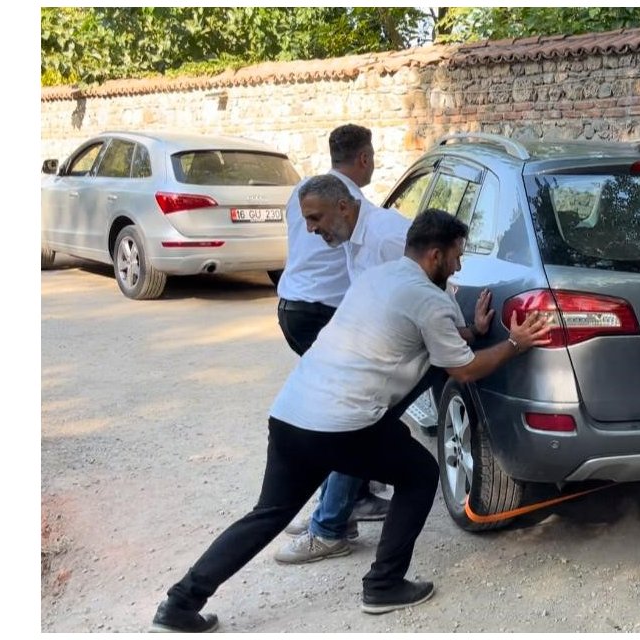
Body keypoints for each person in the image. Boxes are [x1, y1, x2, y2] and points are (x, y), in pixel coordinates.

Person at [150, 210, 553, 632]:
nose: (459, 265)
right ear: (435, 255)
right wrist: (515, 342)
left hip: (291, 414)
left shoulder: (378, 278)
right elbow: (465, 369)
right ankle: (383, 584)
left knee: (268, 514)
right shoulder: (429, 299)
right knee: (420, 475)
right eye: (456, 255)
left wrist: (471, 330)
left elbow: (421, 337)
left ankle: (179, 603)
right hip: (342, 425)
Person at [274, 174, 492, 564]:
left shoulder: (387, 239)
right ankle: (335, 516)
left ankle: (329, 526)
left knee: (359, 427)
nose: (310, 229)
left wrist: (472, 332)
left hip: (405, 353)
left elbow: (432, 297)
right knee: (354, 428)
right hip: (388, 351)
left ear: (343, 207)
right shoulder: (352, 235)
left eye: (315, 218)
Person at [275, 125, 386, 548]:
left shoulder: (304, 191)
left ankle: (347, 501)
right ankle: (333, 517)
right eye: (372, 157)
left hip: (292, 307)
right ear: (363, 158)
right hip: (323, 312)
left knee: (335, 408)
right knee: (350, 414)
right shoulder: (352, 205)